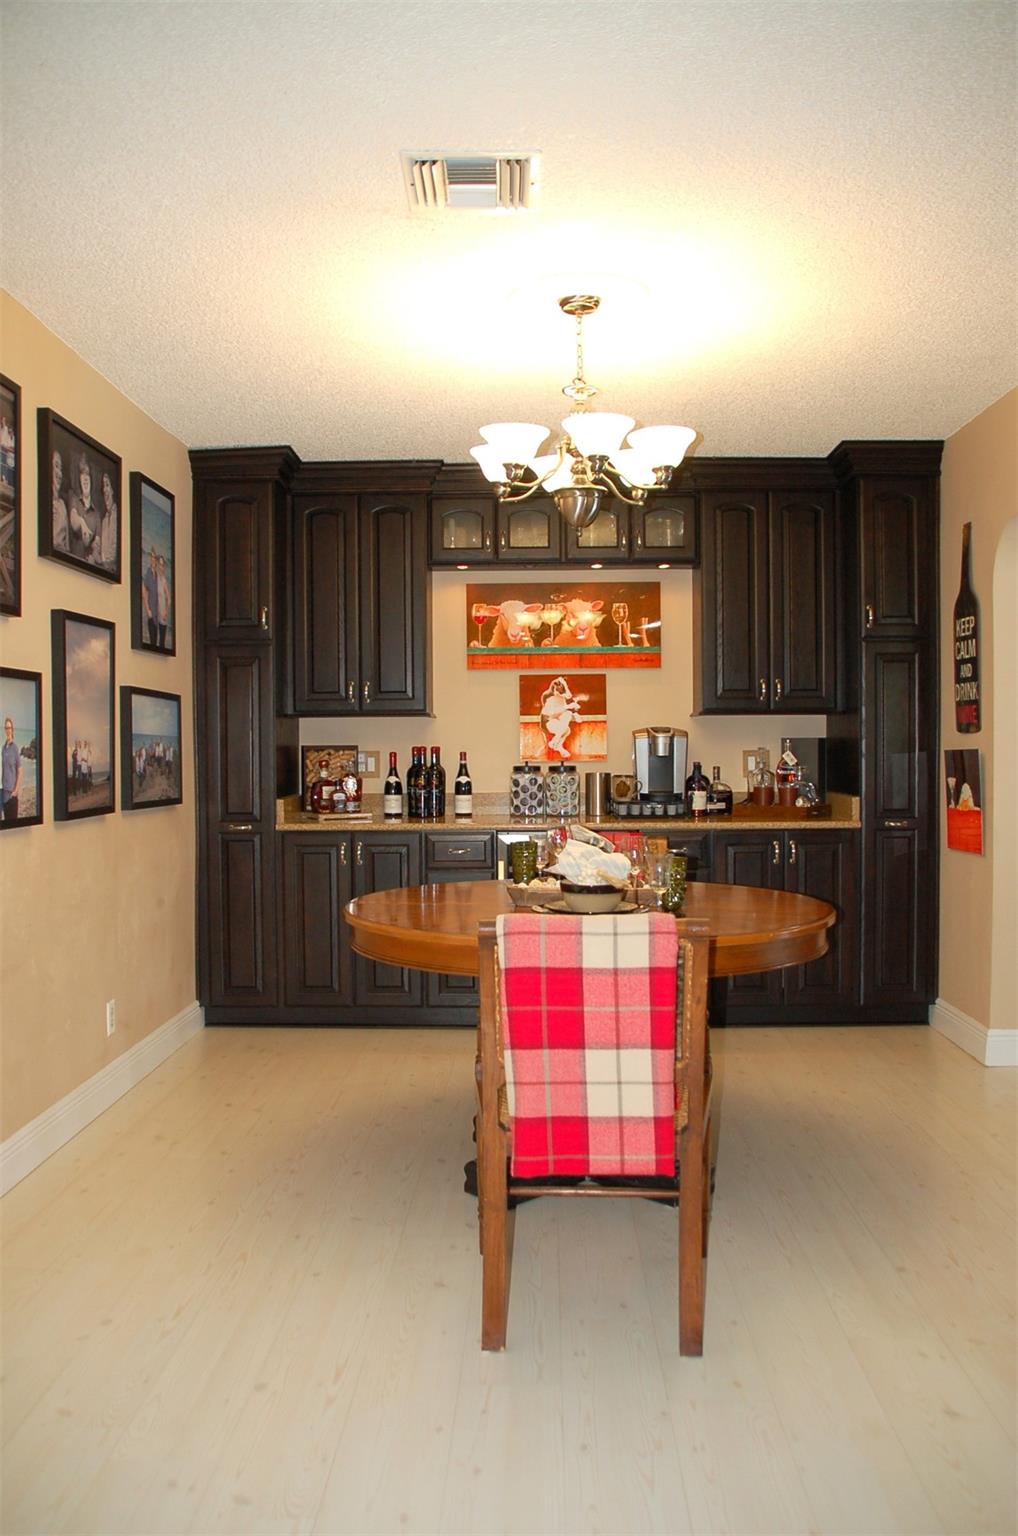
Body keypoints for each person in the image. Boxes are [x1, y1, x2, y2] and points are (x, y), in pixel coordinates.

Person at [539, 675, 585, 758]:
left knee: (567, 729)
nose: (566, 694)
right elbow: (551, 712)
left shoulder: (561, 697)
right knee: (564, 728)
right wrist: (568, 707)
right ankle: (555, 743)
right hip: (547, 722)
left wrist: (574, 713)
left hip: (557, 721)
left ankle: (557, 744)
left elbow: (563, 711)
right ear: (555, 688)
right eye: (562, 692)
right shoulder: (548, 696)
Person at [68, 454, 100, 562]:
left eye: (87, 476)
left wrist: (94, 555)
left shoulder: (96, 514)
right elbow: (73, 521)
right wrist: (82, 522)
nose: (85, 480)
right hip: (72, 563)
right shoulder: (75, 501)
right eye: (82, 476)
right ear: (80, 480)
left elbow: (97, 543)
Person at [2, 715, 22, 823]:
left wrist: (16, 790)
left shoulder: (15, 748)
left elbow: (20, 770)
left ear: (12, 730)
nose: (8, 730)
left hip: (12, 794)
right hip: (4, 792)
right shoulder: (3, 748)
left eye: (9, 728)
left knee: (13, 823)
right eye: (6, 728)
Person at [98, 471, 117, 571]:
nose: (105, 490)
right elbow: (103, 554)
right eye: (103, 486)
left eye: (107, 485)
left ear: (112, 489)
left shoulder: (117, 516)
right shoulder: (104, 520)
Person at [51, 450, 70, 553]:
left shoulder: (62, 504)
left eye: (61, 468)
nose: (60, 474)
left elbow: (67, 547)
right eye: (56, 466)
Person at [142, 545, 159, 646]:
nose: (153, 560)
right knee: (152, 633)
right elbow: (144, 591)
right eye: (152, 557)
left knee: (155, 637)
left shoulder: (157, 575)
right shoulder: (148, 573)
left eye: (154, 558)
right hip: (151, 610)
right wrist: (147, 609)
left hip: (157, 611)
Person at [156, 554, 171, 649]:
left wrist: (165, 612)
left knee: (161, 642)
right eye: (160, 565)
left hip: (162, 614)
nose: (161, 567)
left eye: (163, 565)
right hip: (155, 613)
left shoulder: (164, 581)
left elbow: (169, 599)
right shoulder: (153, 579)